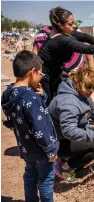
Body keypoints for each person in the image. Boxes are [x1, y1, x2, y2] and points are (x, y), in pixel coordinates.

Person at [1, 50, 59, 202]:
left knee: (30, 175)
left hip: (26, 147)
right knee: (46, 180)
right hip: (41, 149)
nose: (41, 77)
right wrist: (51, 150)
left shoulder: (11, 94)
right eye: (40, 73)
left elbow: (24, 114)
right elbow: (40, 127)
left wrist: (42, 97)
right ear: (32, 72)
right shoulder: (31, 97)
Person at [38, 7, 94, 104]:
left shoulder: (59, 31)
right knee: (50, 106)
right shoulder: (62, 40)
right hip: (45, 78)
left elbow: (84, 36)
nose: (74, 25)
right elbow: (87, 48)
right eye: (70, 24)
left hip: (55, 73)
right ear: (60, 25)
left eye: (73, 22)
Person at [49, 66, 94, 181]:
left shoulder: (81, 93)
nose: (91, 90)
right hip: (60, 141)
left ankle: (68, 161)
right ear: (78, 83)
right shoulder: (69, 103)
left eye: (93, 87)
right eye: (89, 87)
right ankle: (63, 168)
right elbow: (69, 131)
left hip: (67, 136)